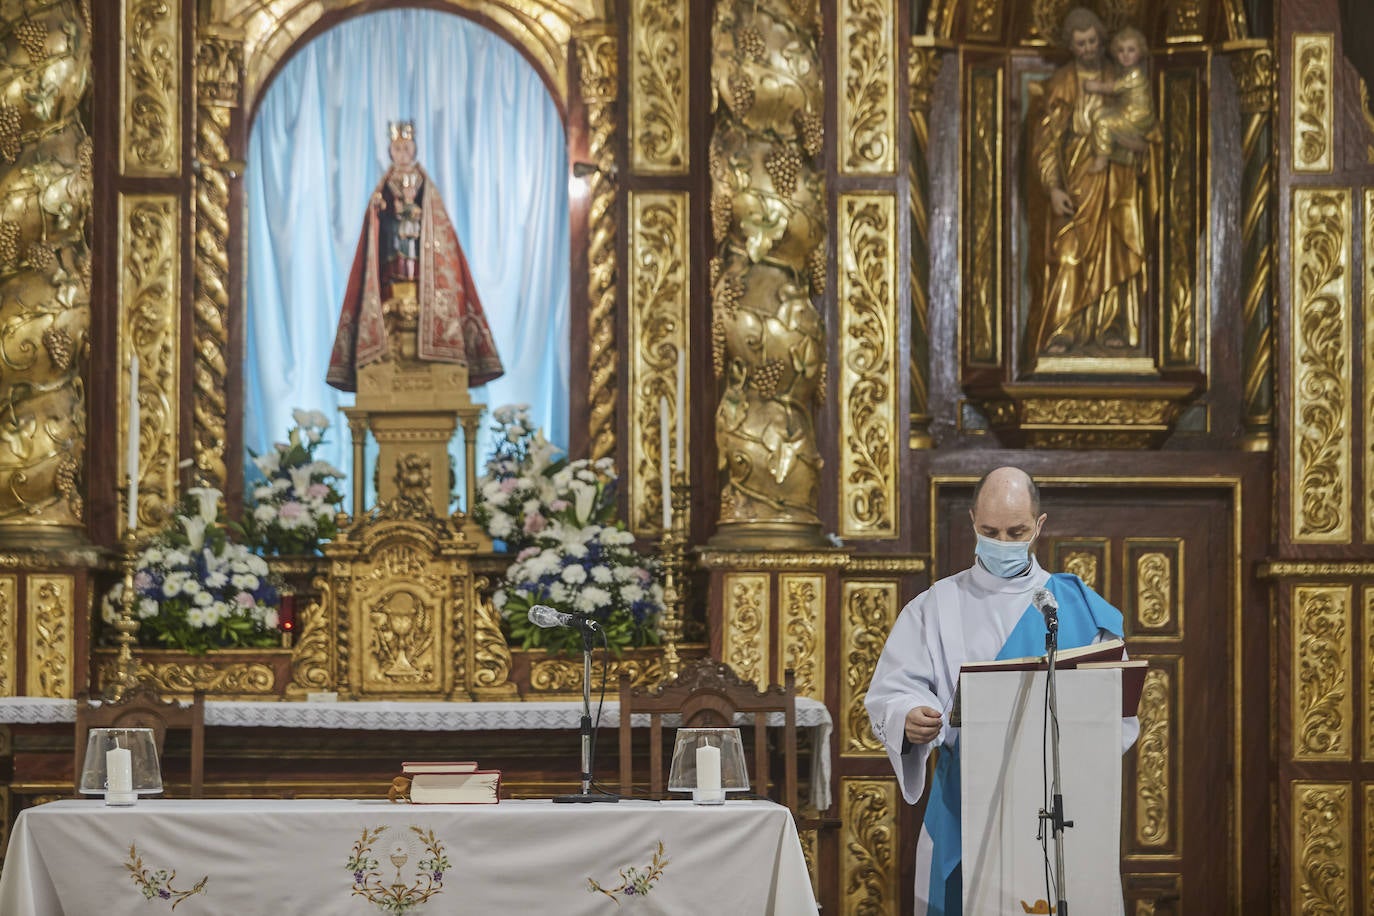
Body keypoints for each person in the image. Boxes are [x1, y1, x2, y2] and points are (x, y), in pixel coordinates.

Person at [864, 467, 1139, 915]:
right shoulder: (936, 606)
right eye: (990, 531)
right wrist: (910, 715)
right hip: (966, 800)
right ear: (973, 521)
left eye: (1017, 531)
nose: (1003, 542)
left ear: (1039, 525)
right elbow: (894, 690)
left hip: (1060, 803)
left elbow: (1119, 717)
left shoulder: (1078, 609)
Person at [327, 121, 503, 392]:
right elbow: (378, 218)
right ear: (390, 151)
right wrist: (382, 209)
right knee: (395, 267)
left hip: (416, 242)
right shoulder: (384, 184)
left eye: (406, 148)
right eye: (397, 149)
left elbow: (434, 220)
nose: (402, 154)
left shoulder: (424, 184)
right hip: (392, 241)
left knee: (412, 265)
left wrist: (415, 211)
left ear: (414, 150)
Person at [1025, 8, 1149, 359]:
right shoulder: (1063, 82)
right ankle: (1063, 328)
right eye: (1080, 43)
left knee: (1113, 249)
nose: (1088, 48)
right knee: (1068, 253)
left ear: (1101, 40)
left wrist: (1133, 144)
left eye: (1093, 41)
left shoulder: (1118, 77)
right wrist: (1053, 188)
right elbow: (1046, 142)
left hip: (1114, 179)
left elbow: (1138, 122)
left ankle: (1111, 326)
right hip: (1076, 178)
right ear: (1071, 46)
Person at [1084, 27, 1156, 174]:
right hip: (1126, 111)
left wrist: (1095, 86)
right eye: (1121, 50)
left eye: (1131, 50)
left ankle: (1102, 159)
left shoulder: (1135, 74)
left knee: (1103, 122)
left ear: (1140, 52)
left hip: (1137, 118)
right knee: (1098, 114)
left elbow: (1113, 88)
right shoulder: (1125, 72)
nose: (1125, 55)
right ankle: (1118, 152)